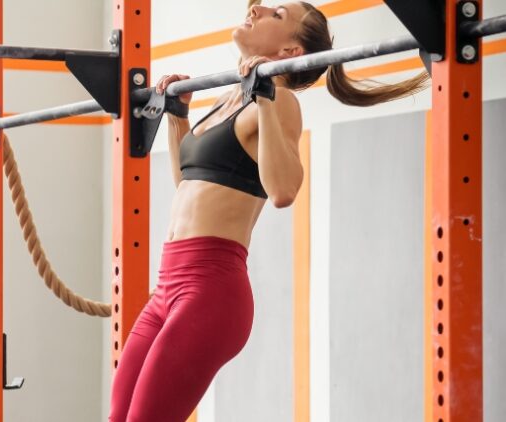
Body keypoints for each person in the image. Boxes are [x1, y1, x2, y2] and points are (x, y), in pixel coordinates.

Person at [108, 2, 428, 421]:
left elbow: (282, 191)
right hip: (168, 285)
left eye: (277, 14)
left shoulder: (279, 103)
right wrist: (179, 118)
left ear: (290, 53)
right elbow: (189, 188)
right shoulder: (227, 99)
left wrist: (268, 95)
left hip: (210, 292)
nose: (256, 8)